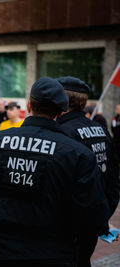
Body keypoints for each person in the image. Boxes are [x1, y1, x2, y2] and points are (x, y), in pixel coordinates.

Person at [0, 77, 110, 267]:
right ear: (61, 111)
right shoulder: (77, 154)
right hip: (54, 254)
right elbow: (92, 211)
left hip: (4, 252)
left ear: (28, 106)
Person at [56, 76, 120, 267]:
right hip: (92, 223)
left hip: (67, 226)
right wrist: (102, 218)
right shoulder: (100, 130)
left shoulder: (62, 132)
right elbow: (113, 179)